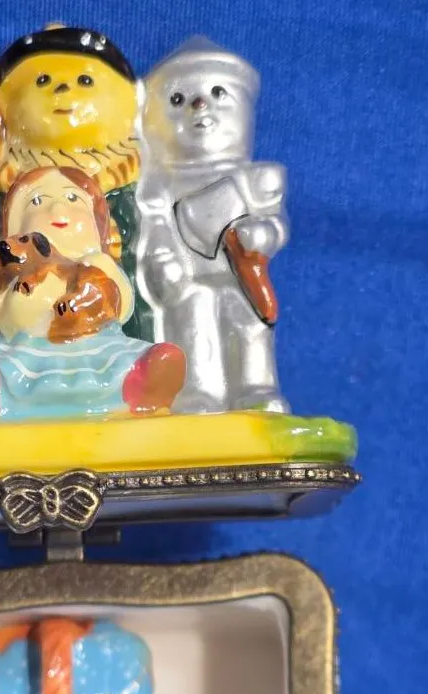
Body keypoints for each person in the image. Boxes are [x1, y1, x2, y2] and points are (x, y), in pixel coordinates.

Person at [0, 167, 184, 424]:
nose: (57, 210)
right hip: (28, 352)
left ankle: (142, 389)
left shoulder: (97, 263)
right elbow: (8, 321)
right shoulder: (13, 278)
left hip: (98, 348)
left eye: (72, 199)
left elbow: (119, 303)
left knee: (125, 365)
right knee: (2, 371)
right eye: (37, 201)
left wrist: (80, 302)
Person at [0, 25, 154, 347]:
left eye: (85, 81)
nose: (64, 89)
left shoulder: (132, 184)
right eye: (42, 81)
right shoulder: (3, 187)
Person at [137, 37, 290, 413]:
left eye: (218, 92)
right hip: (190, 281)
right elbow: (155, 226)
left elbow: (275, 226)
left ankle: (256, 387)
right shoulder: (160, 183)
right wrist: (163, 258)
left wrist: (262, 235)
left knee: (250, 329)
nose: (199, 105)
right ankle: (198, 391)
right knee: (193, 326)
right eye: (178, 99)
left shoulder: (256, 179)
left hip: (241, 277)